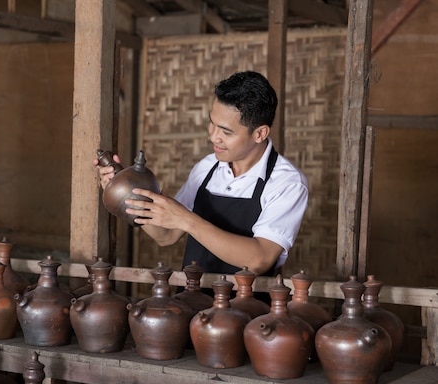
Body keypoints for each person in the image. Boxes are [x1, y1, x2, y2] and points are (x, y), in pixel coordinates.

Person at [94, 71, 308, 276]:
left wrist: (187, 220)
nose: (214, 137)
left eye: (226, 131)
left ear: (260, 133)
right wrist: (126, 195)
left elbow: (259, 260)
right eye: (211, 124)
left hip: (248, 310)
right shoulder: (207, 167)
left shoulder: (287, 182)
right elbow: (167, 236)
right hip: (192, 303)